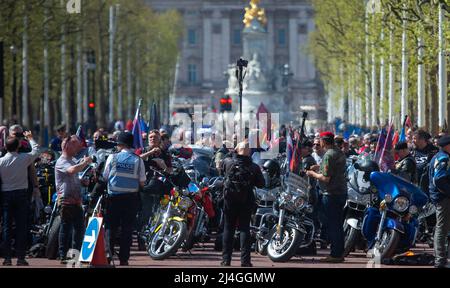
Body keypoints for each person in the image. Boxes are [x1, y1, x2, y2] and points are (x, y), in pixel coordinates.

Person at [103, 132, 146, 265]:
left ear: (120, 144)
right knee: (127, 229)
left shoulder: (112, 157)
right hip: (131, 199)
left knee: (111, 227)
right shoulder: (138, 159)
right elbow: (142, 182)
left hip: (113, 198)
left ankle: (108, 256)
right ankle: (124, 259)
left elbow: (105, 176)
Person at [220, 140, 265, 267]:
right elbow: (261, 184)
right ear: (249, 152)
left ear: (236, 149)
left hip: (229, 200)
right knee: (245, 228)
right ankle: (245, 261)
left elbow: (221, 173)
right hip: (246, 200)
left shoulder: (227, 162)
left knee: (228, 228)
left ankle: (225, 260)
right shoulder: (254, 167)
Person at [306, 131, 347, 263]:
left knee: (333, 225)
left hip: (331, 194)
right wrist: (319, 167)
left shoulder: (329, 155)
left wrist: (312, 173)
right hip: (341, 192)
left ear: (324, 142)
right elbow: (335, 168)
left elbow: (325, 178)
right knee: (337, 224)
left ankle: (336, 254)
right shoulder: (338, 151)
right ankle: (339, 252)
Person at [0, 131, 39, 266]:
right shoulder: (23, 158)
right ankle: (21, 258)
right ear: (18, 147)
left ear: (5, 147)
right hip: (21, 194)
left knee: (6, 227)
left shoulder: (1, 161)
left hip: (6, 194)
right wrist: (30, 138)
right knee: (21, 227)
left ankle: (7, 258)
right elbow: (36, 151)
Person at [55, 136, 91, 264]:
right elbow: (71, 171)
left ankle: (75, 254)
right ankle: (63, 254)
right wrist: (85, 162)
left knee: (79, 229)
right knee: (66, 228)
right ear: (67, 146)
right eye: (76, 145)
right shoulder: (62, 161)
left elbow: (73, 175)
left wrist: (82, 181)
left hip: (76, 200)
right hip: (66, 200)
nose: (78, 148)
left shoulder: (72, 160)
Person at [428, 135, 450, 268]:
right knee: (442, 228)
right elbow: (439, 180)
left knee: (441, 227)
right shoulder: (443, 158)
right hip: (443, 198)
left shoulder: (439, 156)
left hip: (441, 197)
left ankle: (441, 257)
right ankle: (440, 260)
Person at [412, 130, 439, 194]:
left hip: (429, 184)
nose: (413, 141)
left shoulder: (434, 150)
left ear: (422, 139)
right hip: (416, 183)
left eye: (415, 138)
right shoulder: (412, 151)